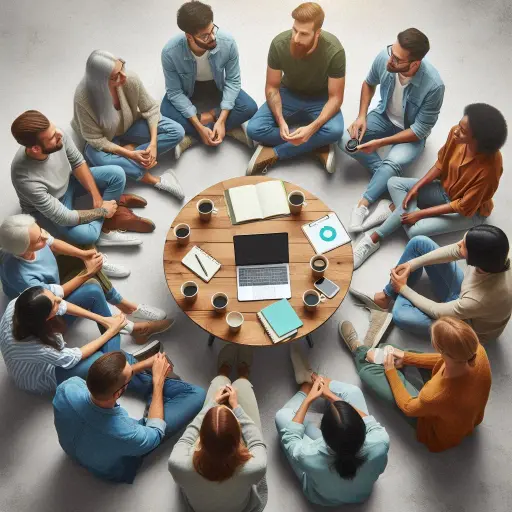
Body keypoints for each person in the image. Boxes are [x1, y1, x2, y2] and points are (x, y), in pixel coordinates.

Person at [352, 104, 507, 268]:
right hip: (443, 189)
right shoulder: (456, 134)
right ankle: (395, 211)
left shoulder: (490, 170)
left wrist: (420, 214)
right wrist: (416, 187)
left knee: (414, 231)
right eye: (460, 125)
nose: (456, 131)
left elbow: (462, 206)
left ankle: (373, 239)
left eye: (463, 131)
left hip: (468, 212)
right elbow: (440, 164)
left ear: (479, 141)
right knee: (393, 183)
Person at [341, 28, 444, 233]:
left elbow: (420, 129)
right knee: (343, 138)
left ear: (414, 64)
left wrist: (380, 143)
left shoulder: (434, 86)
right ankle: (388, 177)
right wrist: (361, 116)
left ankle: (362, 205)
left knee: (394, 161)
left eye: (397, 59)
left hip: (410, 134)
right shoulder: (385, 57)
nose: (390, 60)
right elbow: (369, 83)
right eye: (391, 52)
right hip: (382, 117)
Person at [339, 316, 492, 452]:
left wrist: (390, 370)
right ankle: (374, 352)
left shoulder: (434, 395)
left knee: (367, 371)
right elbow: (443, 360)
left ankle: (360, 351)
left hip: (435, 431)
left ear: (439, 348)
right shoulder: (478, 351)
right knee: (390, 350)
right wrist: (406, 357)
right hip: (468, 418)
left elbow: (408, 407)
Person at [53, 351, 206, 483]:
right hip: (114, 466)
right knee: (198, 395)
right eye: (130, 376)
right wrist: (158, 381)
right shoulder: (128, 434)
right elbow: (155, 433)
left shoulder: (67, 387)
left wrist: (144, 364)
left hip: (73, 448)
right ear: (118, 394)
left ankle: (150, 388)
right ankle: (155, 392)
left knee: (122, 359)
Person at [350, 226, 512, 343]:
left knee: (400, 316)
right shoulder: (498, 252)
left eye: (463, 246)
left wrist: (403, 289)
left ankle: (393, 294)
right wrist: (412, 264)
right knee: (419, 242)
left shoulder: (482, 298)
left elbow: (437, 311)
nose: (458, 245)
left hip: (467, 324)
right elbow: (454, 251)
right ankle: (386, 297)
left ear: (477, 260)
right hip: (464, 294)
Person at [11, 110, 148, 247]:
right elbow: (64, 217)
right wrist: (102, 211)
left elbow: (77, 162)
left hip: (69, 180)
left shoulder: (56, 134)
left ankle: (110, 216)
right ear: (35, 149)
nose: (60, 134)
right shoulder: (24, 179)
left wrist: (97, 198)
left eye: (54, 129)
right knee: (87, 236)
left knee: (117, 174)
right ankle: (107, 223)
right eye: (52, 136)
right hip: (55, 202)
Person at [0, 285, 172, 394]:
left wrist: (104, 320)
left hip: (42, 338)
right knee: (98, 359)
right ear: (44, 319)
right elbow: (72, 357)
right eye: (54, 303)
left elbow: (62, 303)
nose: (59, 300)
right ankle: (129, 368)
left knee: (92, 291)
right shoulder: (34, 346)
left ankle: (120, 356)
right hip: (42, 375)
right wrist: (110, 331)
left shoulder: (20, 303)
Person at [274, 345, 389, 506]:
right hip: (361, 494)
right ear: (361, 430)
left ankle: (307, 386)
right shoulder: (380, 442)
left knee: (282, 417)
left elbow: (291, 438)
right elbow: (369, 420)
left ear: (323, 434)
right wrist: (331, 396)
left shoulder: (309, 455)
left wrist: (308, 400)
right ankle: (315, 378)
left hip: (321, 497)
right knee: (354, 393)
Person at [0, 214, 169, 323]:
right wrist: (88, 272)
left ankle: (96, 266)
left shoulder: (33, 237)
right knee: (92, 280)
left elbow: (54, 244)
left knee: (86, 246)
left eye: (41, 230)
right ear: (24, 249)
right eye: (39, 240)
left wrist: (83, 255)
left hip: (52, 275)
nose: (45, 236)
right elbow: (53, 296)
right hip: (49, 302)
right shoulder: (23, 278)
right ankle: (127, 307)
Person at [246, 2, 345, 175]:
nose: (296, 38)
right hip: (288, 94)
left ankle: (274, 152)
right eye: (294, 30)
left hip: (320, 99)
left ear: (317, 33)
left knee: (336, 131)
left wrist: (312, 128)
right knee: (254, 128)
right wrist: (281, 121)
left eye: (304, 34)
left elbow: (336, 97)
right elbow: (272, 87)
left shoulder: (334, 50)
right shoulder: (279, 44)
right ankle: (316, 145)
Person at [73, 50, 185, 199]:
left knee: (176, 131)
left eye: (122, 68)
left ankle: (128, 155)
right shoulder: (83, 99)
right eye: (115, 77)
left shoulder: (129, 79)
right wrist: (130, 154)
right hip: (105, 139)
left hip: (130, 125)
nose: (124, 76)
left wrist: (153, 144)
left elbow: (150, 109)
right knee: (94, 156)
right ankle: (156, 180)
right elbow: (95, 139)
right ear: (100, 82)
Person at [168, 345, 267, 512]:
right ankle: (243, 375)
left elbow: (188, 436)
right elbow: (257, 442)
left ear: (202, 438)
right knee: (242, 385)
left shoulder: (177, 464)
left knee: (219, 383)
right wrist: (237, 408)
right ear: (239, 439)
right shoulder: (255, 467)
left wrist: (212, 405)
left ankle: (222, 373)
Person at [161, 1, 258, 159]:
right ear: (189, 36)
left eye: (213, 30)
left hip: (217, 87)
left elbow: (233, 81)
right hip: (189, 91)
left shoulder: (228, 42)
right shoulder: (170, 52)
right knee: (165, 110)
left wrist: (220, 118)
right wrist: (199, 124)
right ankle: (228, 131)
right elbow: (175, 92)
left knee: (249, 107)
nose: (213, 37)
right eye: (205, 36)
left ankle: (192, 138)